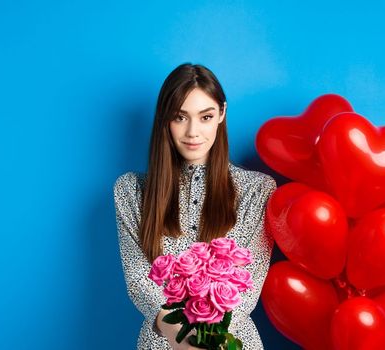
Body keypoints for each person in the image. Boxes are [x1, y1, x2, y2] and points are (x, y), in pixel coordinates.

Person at [113, 63, 276, 350]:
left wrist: (204, 343)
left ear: (221, 114)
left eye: (205, 116)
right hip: (161, 342)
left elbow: (247, 288)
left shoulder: (257, 190)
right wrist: (178, 336)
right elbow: (138, 279)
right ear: (165, 119)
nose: (192, 132)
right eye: (180, 117)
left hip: (229, 342)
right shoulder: (131, 191)